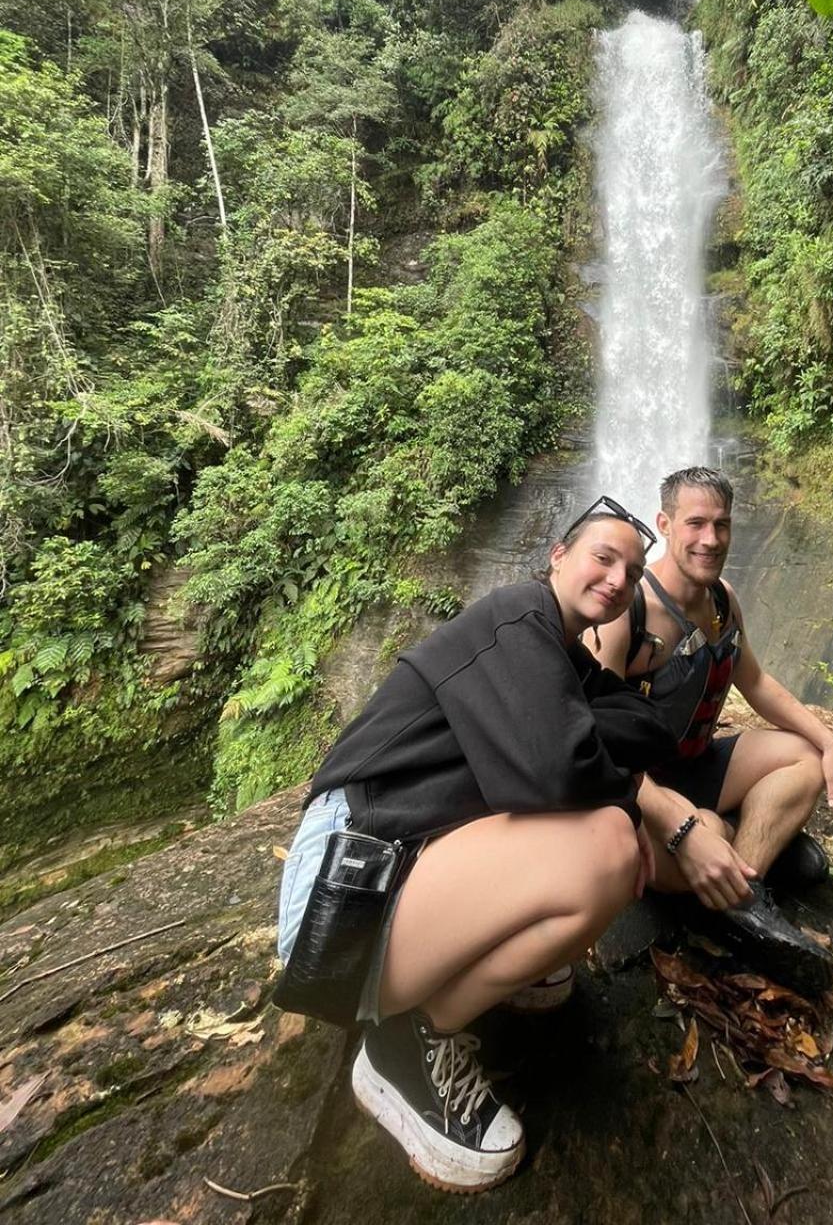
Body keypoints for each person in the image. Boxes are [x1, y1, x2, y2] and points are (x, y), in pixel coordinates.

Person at [276, 497, 675, 1194]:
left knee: (600, 825)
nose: (617, 578)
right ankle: (405, 1044)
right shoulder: (517, 618)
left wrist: (591, 741)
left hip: (396, 863)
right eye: (602, 557)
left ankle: (450, 986)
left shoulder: (559, 655)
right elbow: (555, 771)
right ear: (558, 555)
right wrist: (616, 791)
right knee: (609, 844)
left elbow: (643, 727)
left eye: (634, 570)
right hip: (344, 887)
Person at [594, 467, 833, 994]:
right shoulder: (628, 610)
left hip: (695, 764)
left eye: (722, 525)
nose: (710, 539)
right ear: (664, 525)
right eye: (696, 523)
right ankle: (742, 867)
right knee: (708, 830)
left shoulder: (722, 600)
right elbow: (594, 744)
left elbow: (756, 681)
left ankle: (743, 893)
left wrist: (832, 744)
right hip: (636, 791)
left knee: (803, 759)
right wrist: (683, 827)